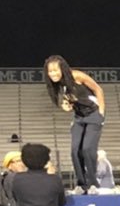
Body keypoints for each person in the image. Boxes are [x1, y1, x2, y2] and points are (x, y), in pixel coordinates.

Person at [44, 55, 106, 193]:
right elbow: (70, 100)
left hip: (93, 113)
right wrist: (66, 105)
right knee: (74, 150)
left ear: (63, 69)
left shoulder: (77, 75)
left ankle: (93, 184)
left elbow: (98, 89)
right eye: (50, 71)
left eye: (56, 70)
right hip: (79, 117)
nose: (53, 74)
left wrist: (101, 112)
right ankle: (81, 184)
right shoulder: (60, 84)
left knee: (88, 149)